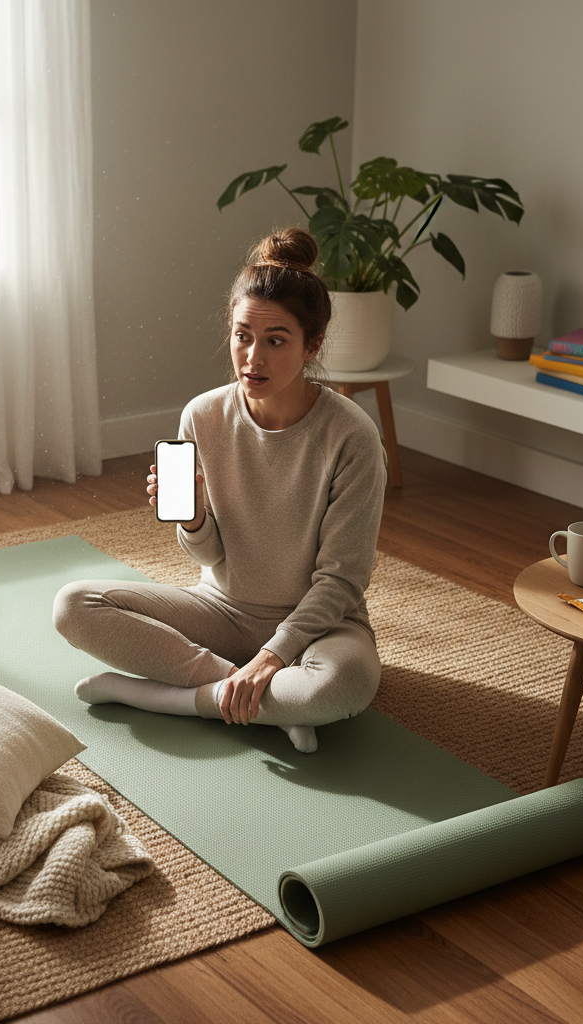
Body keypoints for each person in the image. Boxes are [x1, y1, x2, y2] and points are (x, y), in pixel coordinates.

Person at [53, 227, 386, 753]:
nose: (253, 357)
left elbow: (342, 580)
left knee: (340, 689)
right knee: (74, 605)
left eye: (275, 341)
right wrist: (193, 518)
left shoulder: (352, 436)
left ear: (311, 345)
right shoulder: (203, 415)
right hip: (222, 611)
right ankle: (261, 702)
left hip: (321, 627)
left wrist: (274, 656)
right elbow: (208, 556)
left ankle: (168, 698)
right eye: (242, 336)